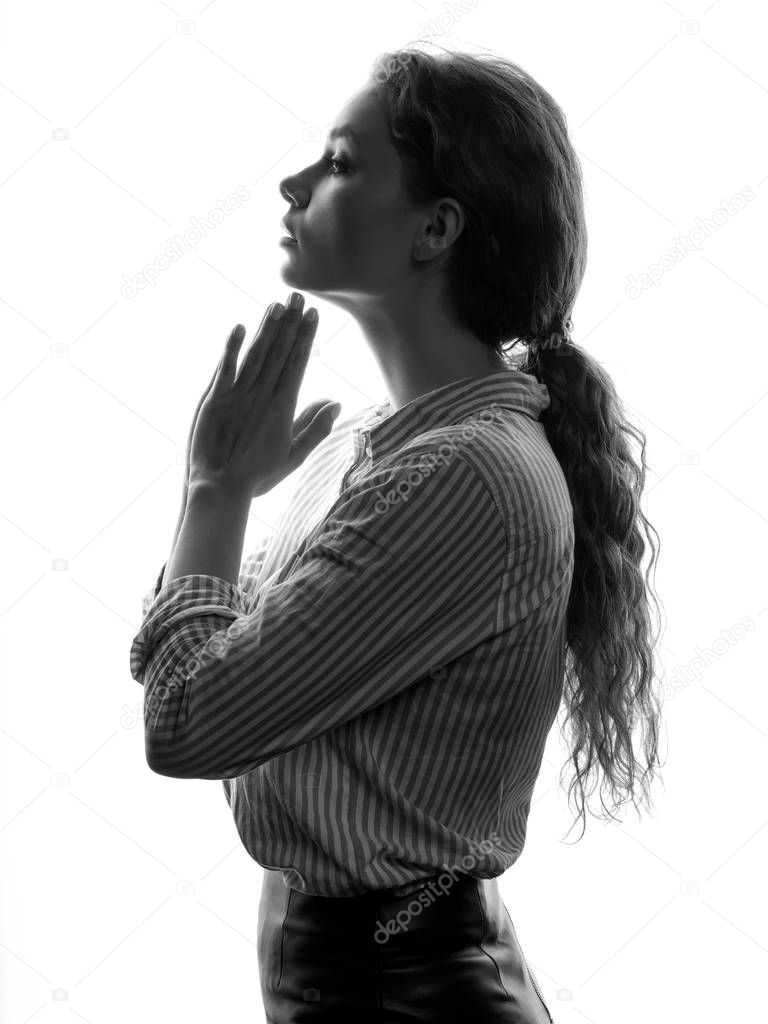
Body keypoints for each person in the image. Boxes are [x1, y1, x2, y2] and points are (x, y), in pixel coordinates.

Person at [131, 43, 664, 1023]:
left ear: (435, 228)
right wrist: (227, 504)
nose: (293, 184)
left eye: (340, 162)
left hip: (406, 995)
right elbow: (205, 652)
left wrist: (214, 492)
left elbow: (190, 718)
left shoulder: (464, 478)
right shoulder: (366, 446)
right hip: (337, 977)